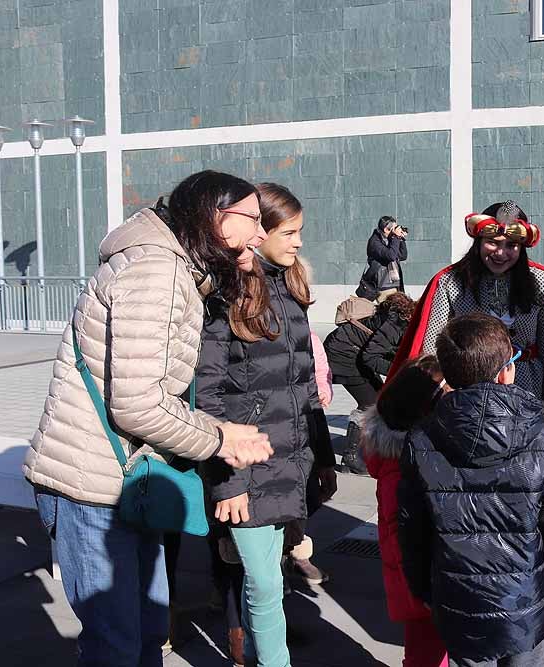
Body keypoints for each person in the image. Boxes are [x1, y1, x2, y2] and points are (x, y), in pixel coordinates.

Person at [24, 170, 274, 667]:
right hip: (90, 490)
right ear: (214, 215)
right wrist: (220, 438)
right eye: (254, 219)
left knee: (143, 635)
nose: (261, 233)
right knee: (117, 647)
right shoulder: (157, 271)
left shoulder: (174, 268)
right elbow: (138, 404)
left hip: (118, 484)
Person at [197, 182, 336, 667]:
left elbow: (304, 391)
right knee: (264, 583)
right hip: (247, 469)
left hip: (290, 464)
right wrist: (227, 480)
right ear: (260, 232)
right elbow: (207, 395)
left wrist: (322, 458)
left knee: (271, 581)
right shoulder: (227, 295)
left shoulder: (289, 288)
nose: (298, 242)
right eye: (290, 231)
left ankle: (258, 656)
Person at [398, 313, 544, 667]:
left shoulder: (422, 438)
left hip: (459, 598)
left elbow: (411, 526)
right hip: (526, 601)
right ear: (506, 371)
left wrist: (421, 588)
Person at [388, 201, 544, 423]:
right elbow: (431, 349)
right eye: (492, 242)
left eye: (511, 245)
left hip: (526, 390)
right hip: (468, 391)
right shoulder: (450, 282)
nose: (501, 253)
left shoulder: (539, 281)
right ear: (479, 241)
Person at [359, 356, 450, 667]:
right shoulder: (405, 470)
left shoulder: (400, 459)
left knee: (424, 650)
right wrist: (424, 589)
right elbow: (403, 537)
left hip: (422, 584)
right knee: (427, 654)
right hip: (424, 586)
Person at [324, 292, 416, 474]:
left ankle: (366, 450)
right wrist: (399, 371)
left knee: (379, 398)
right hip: (342, 355)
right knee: (370, 403)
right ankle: (351, 458)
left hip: (353, 352)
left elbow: (383, 348)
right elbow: (370, 357)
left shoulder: (400, 318)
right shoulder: (395, 324)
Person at [356, 215, 408, 302]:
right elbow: (391, 256)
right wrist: (395, 237)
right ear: (386, 230)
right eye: (394, 228)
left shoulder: (390, 239)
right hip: (383, 285)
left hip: (393, 283)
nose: (395, 230)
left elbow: (402, 256)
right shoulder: (375, 242)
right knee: (390, 313)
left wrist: (400, 239)